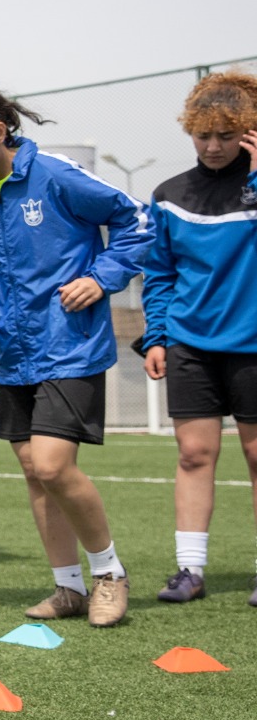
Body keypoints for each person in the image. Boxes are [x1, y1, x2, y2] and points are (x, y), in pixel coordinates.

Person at [0, 83, 151, 628]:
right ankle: (67, 587)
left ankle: (109, 574)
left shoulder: (54, 174)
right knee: (35, 471)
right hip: (11, 355)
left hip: (69, 346)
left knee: (55, 465)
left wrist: (101, 279)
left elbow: (136, 221)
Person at [139, 71, 257, 606]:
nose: (213, 147)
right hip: (190, 344)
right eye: (202, 135)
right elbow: (159, 274)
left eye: (226, 137)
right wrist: (157, 336)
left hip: (253, 346)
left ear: (248, 134)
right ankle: (189, 569)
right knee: (193, 454)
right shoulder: (168, 196)